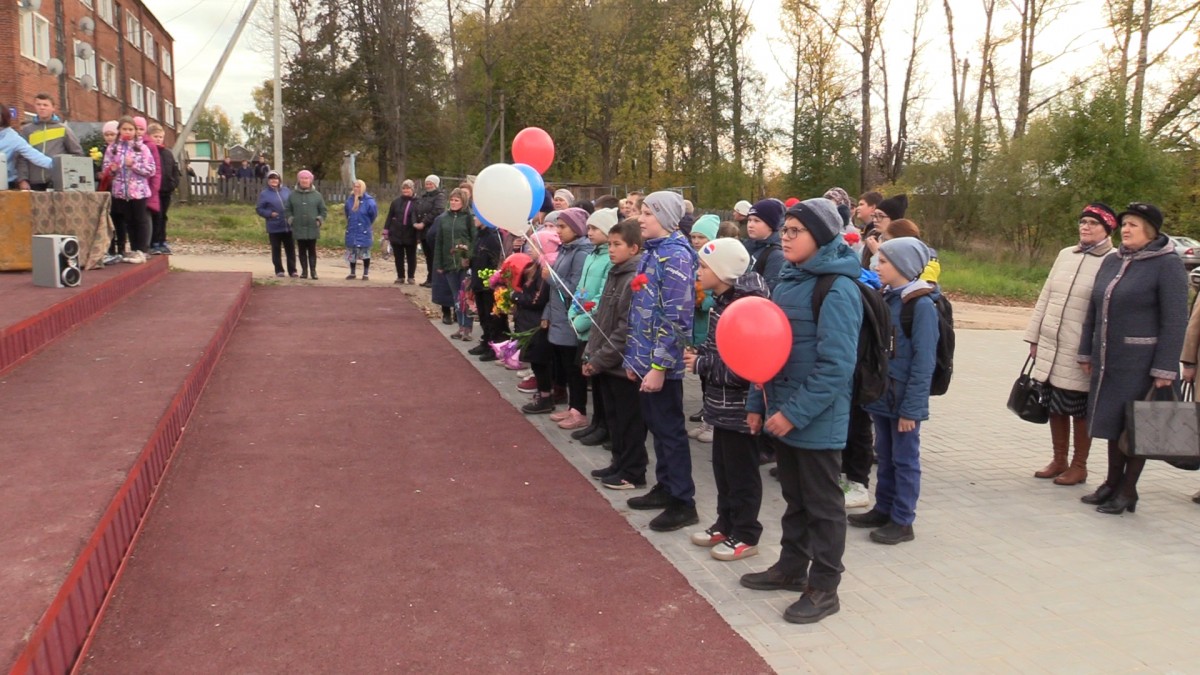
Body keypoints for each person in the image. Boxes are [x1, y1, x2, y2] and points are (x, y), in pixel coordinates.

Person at [740, 198, 862, 625]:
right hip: (783, 411)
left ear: (822, 237)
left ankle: (825, 588)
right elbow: (766, 351)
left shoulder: (838, 287)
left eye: (795, 231)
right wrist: (759, 403)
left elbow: (836, 367)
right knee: (794, 500)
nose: (785, 238)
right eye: (785, 230)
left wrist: (792, 413)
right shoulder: (789, 280)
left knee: (824, 507)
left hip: (816, 419)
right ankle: (792, 568)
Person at [1079, 202, 1189, 515]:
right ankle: (1112, 483)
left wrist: (1166, 368)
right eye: (1124, 224)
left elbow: (1175, 320)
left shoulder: (1167, 265)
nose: (1126, 230)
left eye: (1134, 225)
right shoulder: (1113, 260)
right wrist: (1086, 350)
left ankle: (1128, 490)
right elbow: (1094, 308)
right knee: (1114, 424)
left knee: (1137, 427)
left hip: (1143, 364)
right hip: (1109, 360)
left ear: (1150, 232)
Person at [849, 238, 940, 545]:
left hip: (903, 401)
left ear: (902, 267)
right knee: (885, 456)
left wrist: (912, 409)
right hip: (883, 395)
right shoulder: (887, 298)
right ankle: (883, 507)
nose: (877, 266)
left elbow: (924, 362)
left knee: (905, 459)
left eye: (884, 262)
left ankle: (903, 519)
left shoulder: (921, 306)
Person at [684, 238, 768, 561]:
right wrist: (703, 352)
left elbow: (746, 365)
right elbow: (719, 348)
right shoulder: (722, 301)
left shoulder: (746, 306)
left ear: (722, 272)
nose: (698, 271)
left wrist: (702, 364)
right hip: (720, 405)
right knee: (722, 467)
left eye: (704, 266)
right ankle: (726, 522)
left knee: (742, 471)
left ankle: (746, 532)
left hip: (741, 406)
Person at [1023, 204, 1118, 485]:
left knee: (1078, 406)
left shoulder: (1113, 260)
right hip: (1053, 341)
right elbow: (1046, 295)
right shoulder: (1066, 254)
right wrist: (1034, 336)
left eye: (1092, 223)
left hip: (1081, 349)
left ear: (1107, 228)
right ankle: (1059, 459)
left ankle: (1079, 465)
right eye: (1083, 222)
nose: (1085, 227)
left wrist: (1093, 349)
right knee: (1054, 404)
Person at [623, 191, 700, 533]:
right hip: (643, 359)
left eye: (649, 213)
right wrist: (633, 358)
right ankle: (666, 486)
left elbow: (676, 319)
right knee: (657, 428)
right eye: (640, 211)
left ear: (667, 218)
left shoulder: (677, 258)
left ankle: (683, 501)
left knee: (670, 431)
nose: (641, 218)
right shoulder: (653, 252)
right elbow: (640, 312)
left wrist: (657, 367)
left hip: (661, 366)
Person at [584, 218, 649, 489]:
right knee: (614, 419)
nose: (611, 249)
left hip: (623, 365)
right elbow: (602, 319)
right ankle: (618, 462)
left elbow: (625, 328)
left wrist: (599, 358)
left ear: (633, 248)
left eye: (617, 244)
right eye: (609, 244)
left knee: (629, 422)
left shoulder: (633, 279)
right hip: (607, 363)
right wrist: (590, 352)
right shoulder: (616, 272)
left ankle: (633, 471)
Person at [525, 208, 594, 424]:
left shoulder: (581, 253)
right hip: (558, 318)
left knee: (574, 368)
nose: (559, 232)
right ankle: (573, 406)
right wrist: (547, 313)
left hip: (570, 320)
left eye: (563, 227)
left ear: (576, 228)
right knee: (564, 366)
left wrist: (551, 278)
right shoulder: (566, 249)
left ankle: (578, 410)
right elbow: (554, 293)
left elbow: (575, 288)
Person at [566, 207, 618, 445]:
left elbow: (601, 297)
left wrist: (583, 319)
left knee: (597, 376)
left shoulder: (609, 259)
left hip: (594, 325)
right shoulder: (591, 255)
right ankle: (597, 422)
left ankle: (604, 424)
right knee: (587, 370)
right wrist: (573, 311)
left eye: (595, 228)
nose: (590, 232)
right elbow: (581, 290)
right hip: (581, 322)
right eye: (589, 228)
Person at [102, 117, 156, 263]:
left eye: (131, 129)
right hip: (120, 191)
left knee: (140, 220)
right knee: (128, 221)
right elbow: (106, 169)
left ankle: (142, 250)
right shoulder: (112, 148)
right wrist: (111, 170)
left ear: (135, 131)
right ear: (119, 130)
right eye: (124, 129)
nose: (128, 132)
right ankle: (133, 250)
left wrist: (134, 165)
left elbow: (151, 169)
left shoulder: (142, 148)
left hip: (138, 191)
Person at [687, 214, 721, 442]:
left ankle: (713, 423)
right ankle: (706, 417)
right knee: (702, 377)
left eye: (702, 237)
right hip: (697, 328)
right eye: (694, 237)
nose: (697, 241)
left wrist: (702, 300)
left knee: (712, 378)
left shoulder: (717, 263)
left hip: (708, 325)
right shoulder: (693, 261)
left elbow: (716, 296)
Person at [16, 93, 83, 191]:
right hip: (34, 182)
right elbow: (21, 157)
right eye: (38, 104)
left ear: (53, 108)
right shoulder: (27, 130)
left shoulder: (63, 129)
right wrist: (23, 179)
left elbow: (77, 154)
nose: (42, 108)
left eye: (45, 105)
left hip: (57, 181)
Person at [466, 214, 508, 359]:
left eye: (476, 216)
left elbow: (496, 260)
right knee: (483, 315)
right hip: (479, 281)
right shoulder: (479, 235)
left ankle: (495, 344)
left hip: (489, 284)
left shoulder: (493, 237)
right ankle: (486, 341)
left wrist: (491, 280)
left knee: (493, 316)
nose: (474, 219)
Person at [432, 188, 473, 326]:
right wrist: (438, 264)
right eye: (452, 200)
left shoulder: (468, 218)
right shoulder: (443, 218)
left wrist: (467, 253)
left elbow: (474, 239)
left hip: (464, 263)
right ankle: (460, 326)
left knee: (465, 296)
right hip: (449, 263)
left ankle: (467, 326)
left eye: (457, 200)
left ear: (464, 202)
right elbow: (439, 242)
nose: (454, 203)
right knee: (456, 296)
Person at [0, 105, 53, 190]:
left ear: (3, 117)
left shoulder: (13, 138)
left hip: (5, 184)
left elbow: (34, 155)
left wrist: (58, 165)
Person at [286, 169, 326, 279]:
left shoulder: (317, 195)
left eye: (306, 178)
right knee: (301, 250)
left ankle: (313, 271)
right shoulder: (292, 195)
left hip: (312, 227)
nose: (304, 180)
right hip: (298, 226)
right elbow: (288, 209)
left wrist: (319, 220)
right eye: (302, 178)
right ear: (299, 180)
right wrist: (291, 219)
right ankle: (304, 271)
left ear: (310, 180)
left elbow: (323, 210)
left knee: (312, 250)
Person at [146, 123, 178, 255]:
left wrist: (173, 183)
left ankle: (162, 241)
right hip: (154, 191)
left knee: (163, 216)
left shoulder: (167, 153)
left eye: (160, 137)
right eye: (155, 136)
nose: (158, 139)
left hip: (166, 190)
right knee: (155, 217)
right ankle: (154, 242)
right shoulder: (148, 151)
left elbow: (175, 170)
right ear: (149, 136)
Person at [257, 171, 295, 277]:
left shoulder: (287, 191)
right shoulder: (264, 194)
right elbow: (259, 209)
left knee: (290, 249)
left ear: (279, 180)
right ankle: (279, 270)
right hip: (274, 226)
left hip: (288, 226)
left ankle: (292, 270)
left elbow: (292, 204)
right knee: (276, 249)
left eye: (276, 178)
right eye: (271, 178)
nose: (274, 180)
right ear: (268, 181)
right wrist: (270, 214)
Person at [744, 199, 786, 289]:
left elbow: (768, 290)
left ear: (771, 225)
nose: (750, 225)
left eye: (756, 221)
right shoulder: (748, 245)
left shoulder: (776, 256)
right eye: (749, 220)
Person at [384, 179, 420, 284]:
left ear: (412, 189)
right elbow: (390, 216)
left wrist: (418, 236)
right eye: (404, 188)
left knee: (411, 256)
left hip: (411, 233)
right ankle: (400, 276)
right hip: (396, 232)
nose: (406, 190)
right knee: (398, 256)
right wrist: (386, 231)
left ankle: (411, 277)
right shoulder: (396, 202)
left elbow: (419, 218)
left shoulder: (417, 202)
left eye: (408, 188)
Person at [415, 175, 446, 287]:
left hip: (433, 230)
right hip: (423, 232)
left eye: (430, 184)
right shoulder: (423, 197)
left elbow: (437, 211)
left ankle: (435, 280)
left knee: (434, 256)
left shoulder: (440, 197)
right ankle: (429, 278)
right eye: (427, 183)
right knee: (428, 256)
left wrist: (424, 222)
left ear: (435, 185)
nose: (428, 186)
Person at [342, 180, 378, 280]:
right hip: (352, 228)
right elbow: (347, 213)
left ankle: (365, 273)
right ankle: (352, 272)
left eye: (358, 187)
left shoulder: (369, 201)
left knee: (365, 252)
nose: (356, 188)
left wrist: (366, 224)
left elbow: (373, 215)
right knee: (351, 251)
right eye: (355, 186)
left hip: (364, 229)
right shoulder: (350, 200)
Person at [864, 194, 907, 270]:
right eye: (874, 216)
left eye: (880, 216)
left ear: (894, 219)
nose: (874, 220)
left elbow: (887, 276)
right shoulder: (873, 237)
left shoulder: (902, 244)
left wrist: (877, 254)